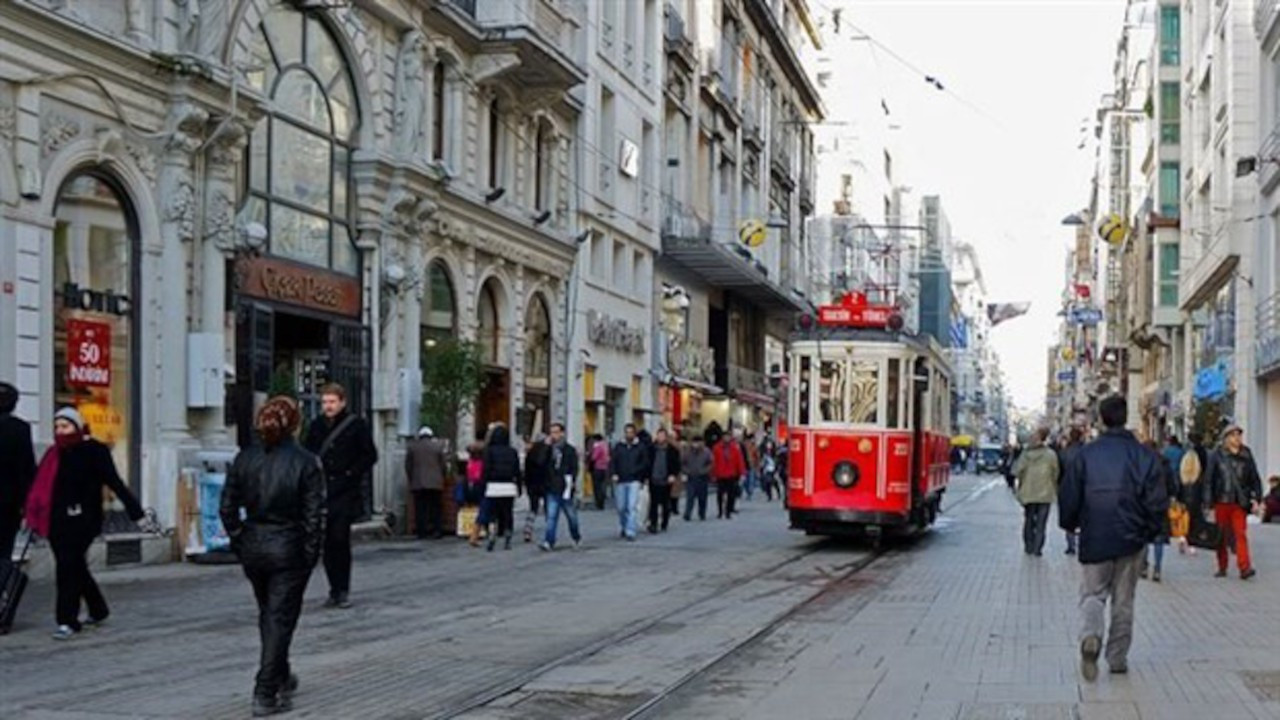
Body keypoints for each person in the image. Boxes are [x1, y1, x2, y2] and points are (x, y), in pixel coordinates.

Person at [220, 397, 324, 717]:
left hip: (255, 547)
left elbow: (226, 508)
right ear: (295, 424)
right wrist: (309, 553)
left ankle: (280, 673)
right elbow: (314, 516)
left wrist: (240, 539)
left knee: (270, 613)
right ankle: (265, 689)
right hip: (287, 548)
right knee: (279, 617)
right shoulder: (306, 462)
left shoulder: (244, 459)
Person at [1059, 395, 1167, 681]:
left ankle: (1091, 636)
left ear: (1102, 419)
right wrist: (1151, 531)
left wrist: (1070, 524)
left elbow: (1069, 494)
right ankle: (1117, 658)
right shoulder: (1144, 455)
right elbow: (1157, 500)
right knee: (1123, 600)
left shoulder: (1086, 454)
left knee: (1093, 594)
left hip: (1095, 535)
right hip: (1131, 539)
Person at [25, 407, 144, 640]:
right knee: (74, 565)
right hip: (57, 520)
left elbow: (113, 481)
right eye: (57, 427)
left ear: (78, 427)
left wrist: (134, 510)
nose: (61, 431)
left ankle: (67, 620)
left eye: (66, 426)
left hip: (84, 520)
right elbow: (40, 486)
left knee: (67, 568)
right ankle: (98, 609)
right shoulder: (53, 454)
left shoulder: (94, 451)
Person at [303, 383, 377, 609]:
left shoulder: (356, 426)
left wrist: (351, 474)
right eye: (325, 402)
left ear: (342, 402)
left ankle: (342, 588)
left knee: (339, 539)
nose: (328, 406)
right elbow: (308, 454)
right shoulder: (316, 426)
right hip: (322, 489)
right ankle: (333, 588)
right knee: (326, 542)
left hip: (345, 490)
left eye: (332, 402)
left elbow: (370, 455)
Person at [1202, 424, 1263, 580]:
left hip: (1239, 502)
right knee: (1221, 536)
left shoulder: (1246, 454)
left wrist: (1257, 498)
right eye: (1233, 435)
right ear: (1226, 438)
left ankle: (1244, 567)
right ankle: (1222, 566)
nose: (1237, 438)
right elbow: (1209, 480)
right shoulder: (1216, 455)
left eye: (1239, 435)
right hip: (1221, 500)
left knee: (1240, 534)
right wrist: (1208, 503)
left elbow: (1254, 477)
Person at [0, 382, 36, 571]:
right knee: (4, 550)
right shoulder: (20, 429)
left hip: (9, 502)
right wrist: (27, 504)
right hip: (8, 504)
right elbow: (26, 469)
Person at [1013, 427, 1059, 557]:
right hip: (1045, 493)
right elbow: (1055, 473)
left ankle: (1028, 545)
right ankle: (1038, 548)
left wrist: (1021, 485)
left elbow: (1018, 471)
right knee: (1041, 523)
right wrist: (1053, 486)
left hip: (1028, 492)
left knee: (1028, 520)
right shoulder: (1051, 455)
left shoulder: (1025, 455)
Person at [1141, 440, 1179, 582]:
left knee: (1144, 537)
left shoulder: (1141, 464)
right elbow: (1172, 483)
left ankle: (1144, 566)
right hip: (1161, 504)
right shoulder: (1165, 463)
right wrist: (1172, 496)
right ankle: (1157, 568)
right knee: (1159, 538)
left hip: (1144, 505)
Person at [540, 422, 582, 551]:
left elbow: (574, 468)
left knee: (571, 516)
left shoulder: (569, 449)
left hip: (565, 488)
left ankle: (576, 537)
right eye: (552, 432)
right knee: (551, 516)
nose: (554, 435)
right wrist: (545, 447)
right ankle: (549, 541)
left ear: (562, 433)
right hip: (551, 487)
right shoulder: (548, 449)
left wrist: (571, 481)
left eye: (556, 432)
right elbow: (540, 462)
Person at [481, 424, 522, 552]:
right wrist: (519, 486)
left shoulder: (489, 451)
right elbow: (517, 471)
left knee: (492, 513)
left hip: (493, 486)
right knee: (507, 512)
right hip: (509, 486)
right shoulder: (512, 451)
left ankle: (492, 534)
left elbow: (486, 470)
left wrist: (484, 484)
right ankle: (508, 536)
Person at [405, 426, 447, 540]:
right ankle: (437, 530)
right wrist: (442, 476)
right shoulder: (438, 446)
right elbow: (443, 465)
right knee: (436, 508)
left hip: (418, 482)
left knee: (420, 508)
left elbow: (408, 465)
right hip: (435, 482)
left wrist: (411, 478)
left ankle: (421, 532)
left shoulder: (413, 447)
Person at [609, 424, 649, 541]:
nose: (628, 434)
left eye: (631, 432)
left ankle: (630, 531)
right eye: (627, 432)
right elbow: (613, 461)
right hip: (620, 479)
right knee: (621, 507)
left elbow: (645, 463)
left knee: (631, 506)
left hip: (634, 480)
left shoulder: (640, 447)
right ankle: (624, 525)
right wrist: (613, 473)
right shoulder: (619, 446)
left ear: (634, 433)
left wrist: (640, 475)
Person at [647, 429, 681, 533]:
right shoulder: (651, 449)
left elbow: (677, 464)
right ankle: (653, 524)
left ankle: (664, 522)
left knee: (665, 503)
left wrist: (673, 475)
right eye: (659, 435)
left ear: (666, 437)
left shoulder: (672, 450)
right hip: (653, 478)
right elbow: (646, 463)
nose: (660, 437)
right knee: (654, 503)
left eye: (662, 435)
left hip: (666, 479)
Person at [1057, 428, 1084, 555]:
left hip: (1067, 488)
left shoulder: (1063, 453)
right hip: (1084, 488)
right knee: (1084, 517)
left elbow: (1058, 473)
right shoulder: (1087, 452)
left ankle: (1071, 546)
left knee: (1069, 518)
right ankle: (1083, 543)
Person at [711, 425, 747, 519]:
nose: (726, 438)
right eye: (725, 436)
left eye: (728, 436)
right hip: (720, 474)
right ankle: (720, 511)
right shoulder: (717, 448)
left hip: (732, 474)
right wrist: (713, 474)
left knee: (731, 494)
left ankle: (728, 511)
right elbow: (714, 462)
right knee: (720, 494)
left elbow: (739, 461)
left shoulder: (735, 448)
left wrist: (742, 472)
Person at [523, 434, 550, 543]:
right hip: (545, 483)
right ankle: (550, 531)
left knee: (533, 507)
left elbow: (526, 471)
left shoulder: (530, 453)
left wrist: (526, 483)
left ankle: (528, 529)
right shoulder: (547, 452)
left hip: (532, 484)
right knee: (549, 509)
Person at [683, 432, 713, 521]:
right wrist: (687, 471)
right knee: (690, 497)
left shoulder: (706, 451)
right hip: (691, 477)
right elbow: (682, 463)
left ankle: (702, 513)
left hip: (702, 477)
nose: (696, 444)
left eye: (698, 442)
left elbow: (711, 463)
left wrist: (704, 471)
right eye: (694, 442)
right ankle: (687, 514)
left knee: (702, 497)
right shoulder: (687, 452)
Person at [464, 442, 486, 548]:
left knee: (477, 507)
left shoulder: (470, 462)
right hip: (480, 485)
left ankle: (475, 532)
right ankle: (479, 531)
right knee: (484, 508)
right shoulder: (482, 462)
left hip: (471, 486)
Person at [589, 434, 611, 511]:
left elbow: (594, 457)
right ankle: (602, 501)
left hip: (597, 468)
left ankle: (599, 503)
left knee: (597, 486)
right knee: (602, 485)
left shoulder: (597, 446)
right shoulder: (606, 446)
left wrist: (589, 454)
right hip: (605, 468)